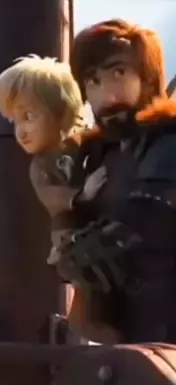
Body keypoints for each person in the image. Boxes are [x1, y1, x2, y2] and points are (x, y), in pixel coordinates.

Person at [55, 18, 176, 343]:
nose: (106, 97)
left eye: (118, 74)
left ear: (147, 78)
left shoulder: (168, 143)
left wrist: (84, 251)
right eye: (93, 81)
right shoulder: (101, 156)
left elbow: (148, 221)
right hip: (124, 339)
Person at [0, 55, 106, 265]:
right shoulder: (41, 166)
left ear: (61, 114)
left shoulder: (77, 145)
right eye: (15, 121)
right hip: (70, 231)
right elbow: (53, 195)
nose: (20, 131)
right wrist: (82, 195)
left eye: (28, 117)